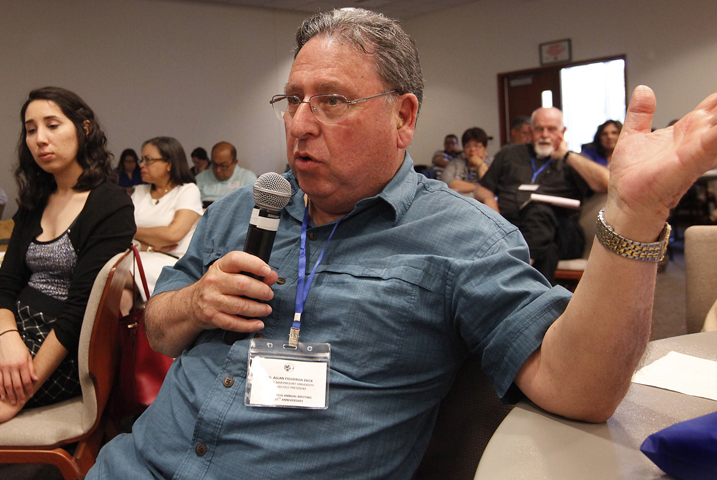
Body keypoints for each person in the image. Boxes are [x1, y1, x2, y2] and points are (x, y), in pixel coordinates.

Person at [88, 8, 717, 479]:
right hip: (133, 466)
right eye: (294, 100)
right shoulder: (241, 211)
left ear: (404, 117)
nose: (301, 123)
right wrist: (195, 301)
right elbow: (159, 328)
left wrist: (634, 215)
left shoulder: (461, 238)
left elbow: (581, 388)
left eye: (332, 101)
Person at [0, 87, 135, 432]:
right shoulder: (36, 200)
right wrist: (7, 338)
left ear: (85, 128)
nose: (40, 139)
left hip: (58, 357)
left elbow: (81, 313)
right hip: (15, 338)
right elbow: (4, 287)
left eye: (52, 125)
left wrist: (14, 399)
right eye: (31, 129)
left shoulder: (110, 204)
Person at [475, 107, 610, 283]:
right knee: (547, 251)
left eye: (552, 129)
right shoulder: (510, 154)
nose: (545, 134)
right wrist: (489, 200)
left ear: (562, 132)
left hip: (563, 232)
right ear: (531, 131)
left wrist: (566, 155)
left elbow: (607, 182)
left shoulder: (572, 161)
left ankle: (516, 272)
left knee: (538, 210)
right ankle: (535, 303)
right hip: (514, 228)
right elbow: (482, 188)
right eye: (539, 129)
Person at [131, 136, 203, 296]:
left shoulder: (187, 190)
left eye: (148, 160)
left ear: (169, 163)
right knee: (117, 288)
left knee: (117, 276)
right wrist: (149, 245)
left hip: (170, 263)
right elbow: (118, 233)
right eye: (141, 159)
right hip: (136, 255)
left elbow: (173, 234)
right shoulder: (140, 192)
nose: (141, 165)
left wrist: (132, 231)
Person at [195, 141, 257, 205]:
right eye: (214, 165)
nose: (218, 170)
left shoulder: (248, 179)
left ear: (235, 163)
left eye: (224, 166)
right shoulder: (199, 179)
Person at [440, 127, 493, 195]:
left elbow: (489, 186)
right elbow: (446, 181)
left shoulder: (493, 163)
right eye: (468, 146)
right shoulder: (456, 162)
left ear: (485, 149)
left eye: (476, 146)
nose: (472, 150)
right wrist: (477, 188)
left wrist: (480, 164)